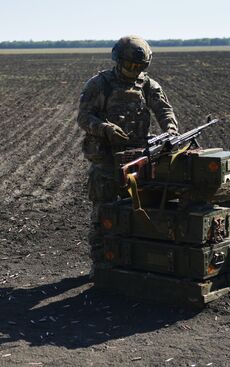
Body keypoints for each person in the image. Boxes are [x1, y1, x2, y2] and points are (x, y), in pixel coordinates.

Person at [76, 35, 180, 277]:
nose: (134, 71)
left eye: (139, 67)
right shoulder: (100, 84)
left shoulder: (147, 85)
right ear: (118, 60)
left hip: (138, 160)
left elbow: (164, 109)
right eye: (130, 66)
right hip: (107, 162)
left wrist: (171, 129)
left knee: (139, 211)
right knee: (104, 214)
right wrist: (105, 128)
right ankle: (101, 266)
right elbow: (84, 117)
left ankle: (134, 263)